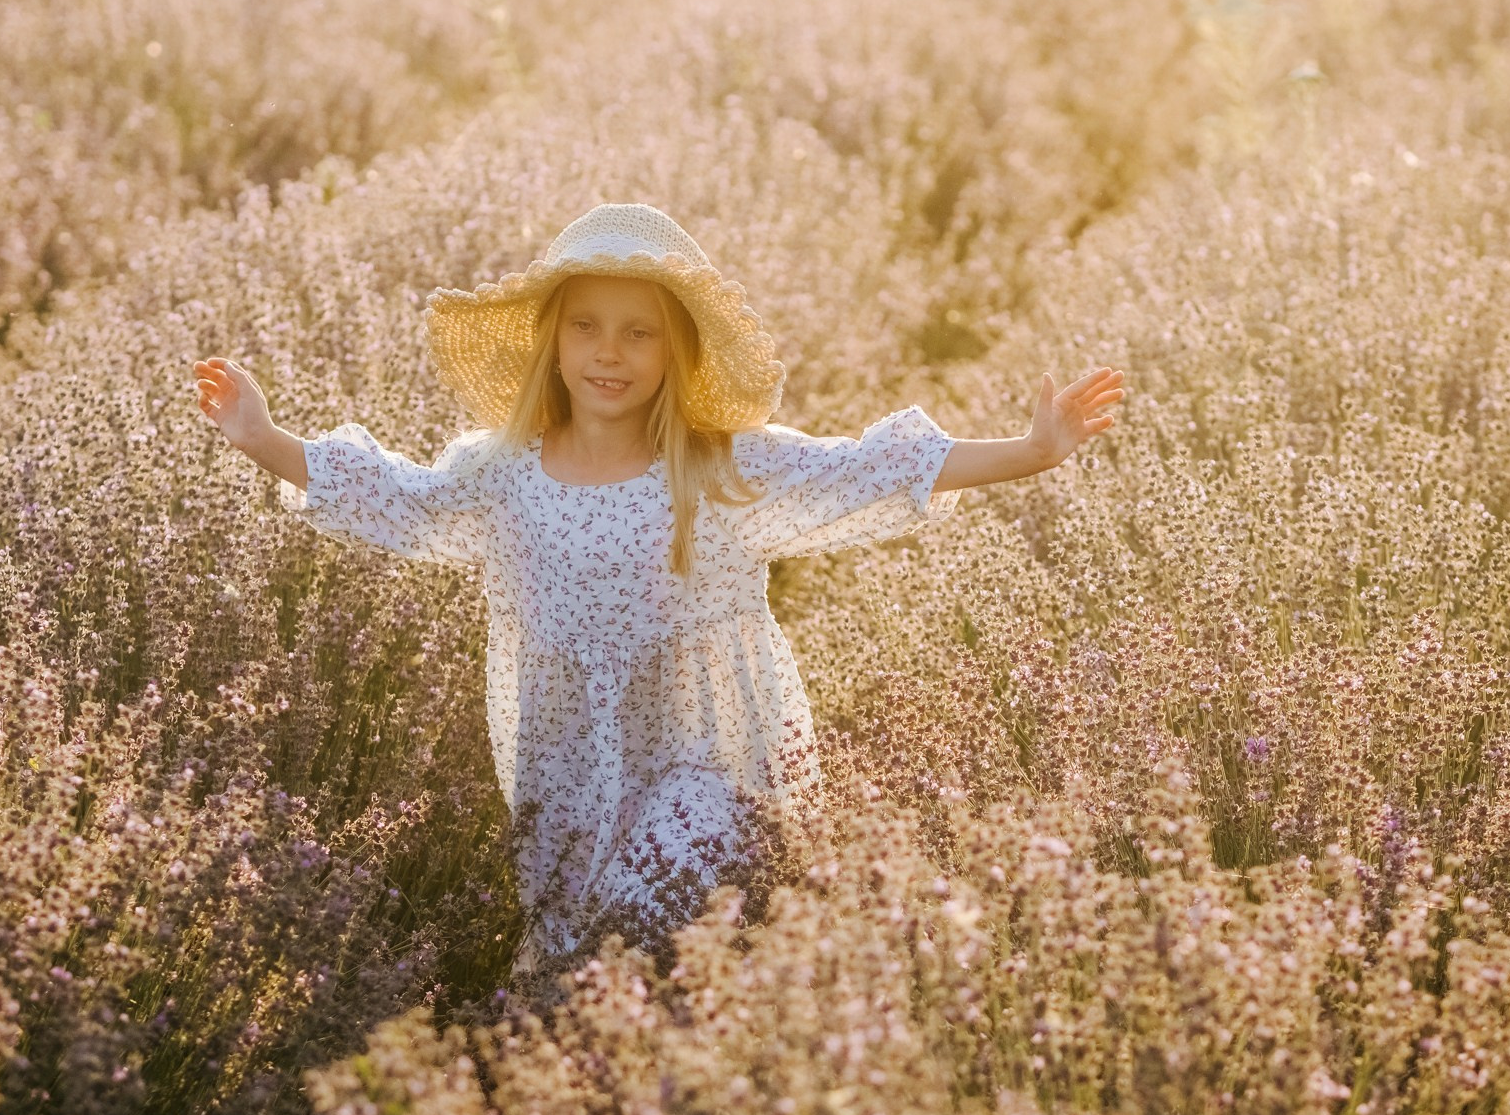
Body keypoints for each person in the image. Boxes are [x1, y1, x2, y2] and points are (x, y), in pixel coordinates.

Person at [193, 203, 1124, 966]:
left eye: (640, 333)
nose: (610, 352)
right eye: (588, 328)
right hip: (565, 771)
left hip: (711, 757)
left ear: (674, 354)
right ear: (552, 345)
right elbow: (401, 498)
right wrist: (263, 439)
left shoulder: (715, 471)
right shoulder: (502, 473)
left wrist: (1035, 450)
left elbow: (865, 470)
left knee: (662, 902)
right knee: (587, 963)